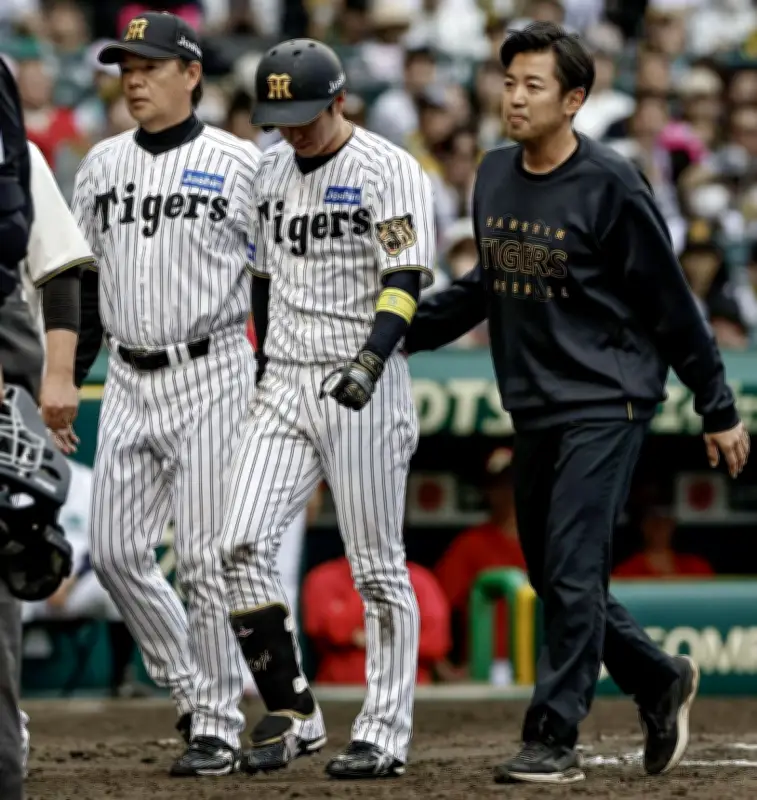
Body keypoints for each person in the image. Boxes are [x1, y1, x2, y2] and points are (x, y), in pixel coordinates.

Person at [403, 21, 750, 786]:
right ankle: (657, 676)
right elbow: (485, 285)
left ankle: (552, 737)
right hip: (533, 404)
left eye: (533, 85)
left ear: (573, 100)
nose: (514, 97)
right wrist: (400, 332)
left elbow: (670, 303)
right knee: (556, 573)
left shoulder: (611, 183)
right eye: (508, 82)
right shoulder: (493, 173)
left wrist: (716, 404)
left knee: (568, 569)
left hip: (608, 398)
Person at [220, 39, 435, 780]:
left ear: (340, 101)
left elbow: (405, 276)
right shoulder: (268, 170)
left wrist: (372, 359)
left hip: (361, 374)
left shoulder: (386, 167)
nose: (293, 130)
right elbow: (260, 277)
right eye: (280, 118)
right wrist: (261, 367)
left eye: (306, 115)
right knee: (237, 544)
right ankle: (295, 709)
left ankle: (383, 731)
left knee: (375, 567)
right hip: (285, 378)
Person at [71, 12, 262, 778]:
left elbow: (273, 277)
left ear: (191, 74)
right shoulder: (100, 164)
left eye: (149, 66)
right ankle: (191, 686)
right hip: (125, 372)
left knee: (206, 559)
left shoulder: (241, 162)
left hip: (212, 366)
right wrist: (67, 376)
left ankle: (216, 722)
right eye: (126, 68)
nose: (134, 80)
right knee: (115, 552)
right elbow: (81, 283)